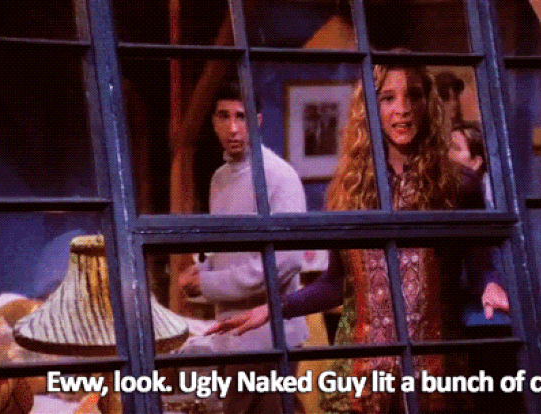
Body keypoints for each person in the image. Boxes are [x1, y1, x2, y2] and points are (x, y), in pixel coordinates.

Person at [210, 64, 509, 413]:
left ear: (427, 104)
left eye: (413, 95)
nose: (402, 108)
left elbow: (480, 266)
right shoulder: (350, 190)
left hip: (435, 375)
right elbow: (336, 283)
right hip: (362, 378)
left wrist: (491, 285)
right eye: (388, 98)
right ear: (370, 107)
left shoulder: (458, 184)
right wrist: (273, 309)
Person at [177, 81, 308, 414]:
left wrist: (207, 284)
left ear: (258, 121)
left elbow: (284, 263)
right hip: (233, 336)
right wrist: (200, 272)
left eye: (242, 116)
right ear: (213, 122)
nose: (233, 128)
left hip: (270, 337)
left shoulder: (279, 177)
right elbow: (224, 249)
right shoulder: (220, 179)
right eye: (224, 116)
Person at [449, 122, 494, 208]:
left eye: (455, 148)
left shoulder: (463, 190)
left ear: (476, 162)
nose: (447, 152)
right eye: (446, 146)